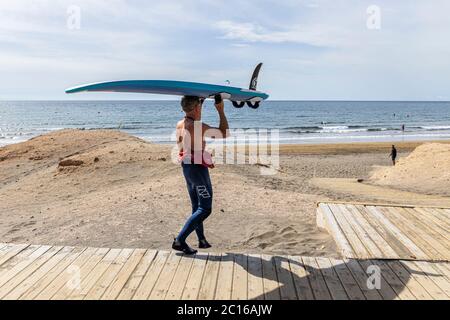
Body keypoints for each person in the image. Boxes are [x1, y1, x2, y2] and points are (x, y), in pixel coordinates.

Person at [172, 95, 230, 255]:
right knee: (205, 208)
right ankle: (179, 240)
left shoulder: (180, 124)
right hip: (197, 169)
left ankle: (201, 240)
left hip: (187, 168)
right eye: (200, 105)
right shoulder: (197, 126)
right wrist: (220, 110)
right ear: (197, 108)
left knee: (196, 205)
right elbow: (224, 133)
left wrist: (201, 99)